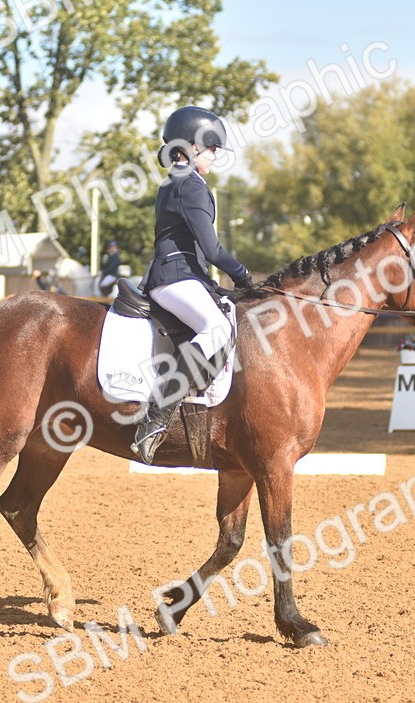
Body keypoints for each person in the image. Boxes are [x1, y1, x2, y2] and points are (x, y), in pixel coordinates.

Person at [130, 105, 255, 464]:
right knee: (216, 329)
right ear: (193, 146)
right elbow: (212, 250)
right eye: (212, 148)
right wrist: (244, 277)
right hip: (174, 276)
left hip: (184, 275)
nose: (216, 156)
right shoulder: (190, 185)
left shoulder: (178, 180)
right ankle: (155, 418)